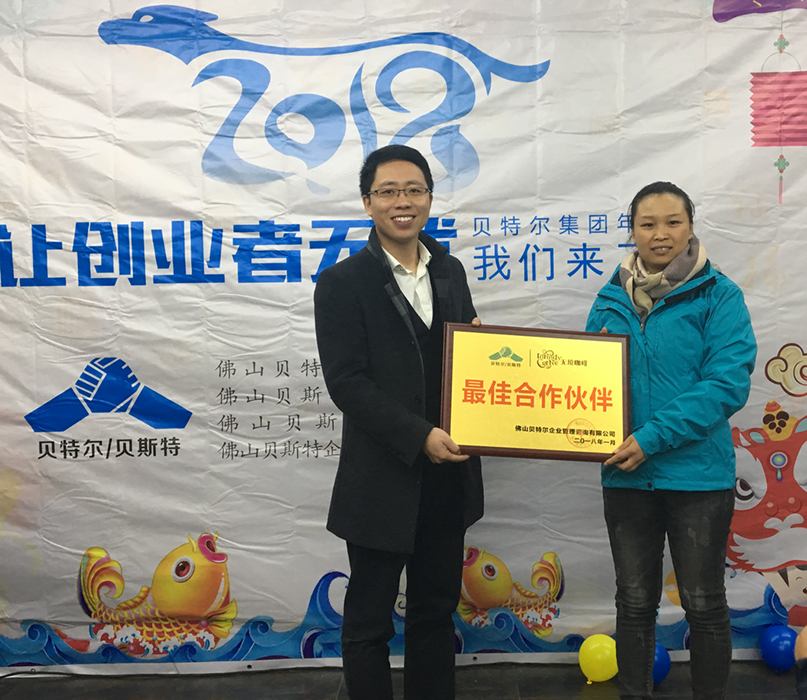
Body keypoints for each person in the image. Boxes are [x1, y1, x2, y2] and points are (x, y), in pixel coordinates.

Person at [313, 144, 483, 700]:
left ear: (430, 198)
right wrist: (419, 435)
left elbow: (468, 358)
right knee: (369, 624)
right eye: (388, 192)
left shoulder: (451, 271)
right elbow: (347, 383)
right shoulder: (341, 282)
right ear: (368, 203)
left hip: (447, 478)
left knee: (435, 614)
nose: (402, 202)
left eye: (414, 190)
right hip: (380, 482)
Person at [585, 182, 757, 700]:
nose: (660, 234)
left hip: (698, 478)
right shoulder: (610, 298)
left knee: (703, 604)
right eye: (648, 224)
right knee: (634, 604)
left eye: (673, 222)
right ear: (632, 231)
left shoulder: (718, 295)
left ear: (690, 226)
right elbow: (582, 380)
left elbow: (725, 384)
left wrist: (652, 438)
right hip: (626, 475)